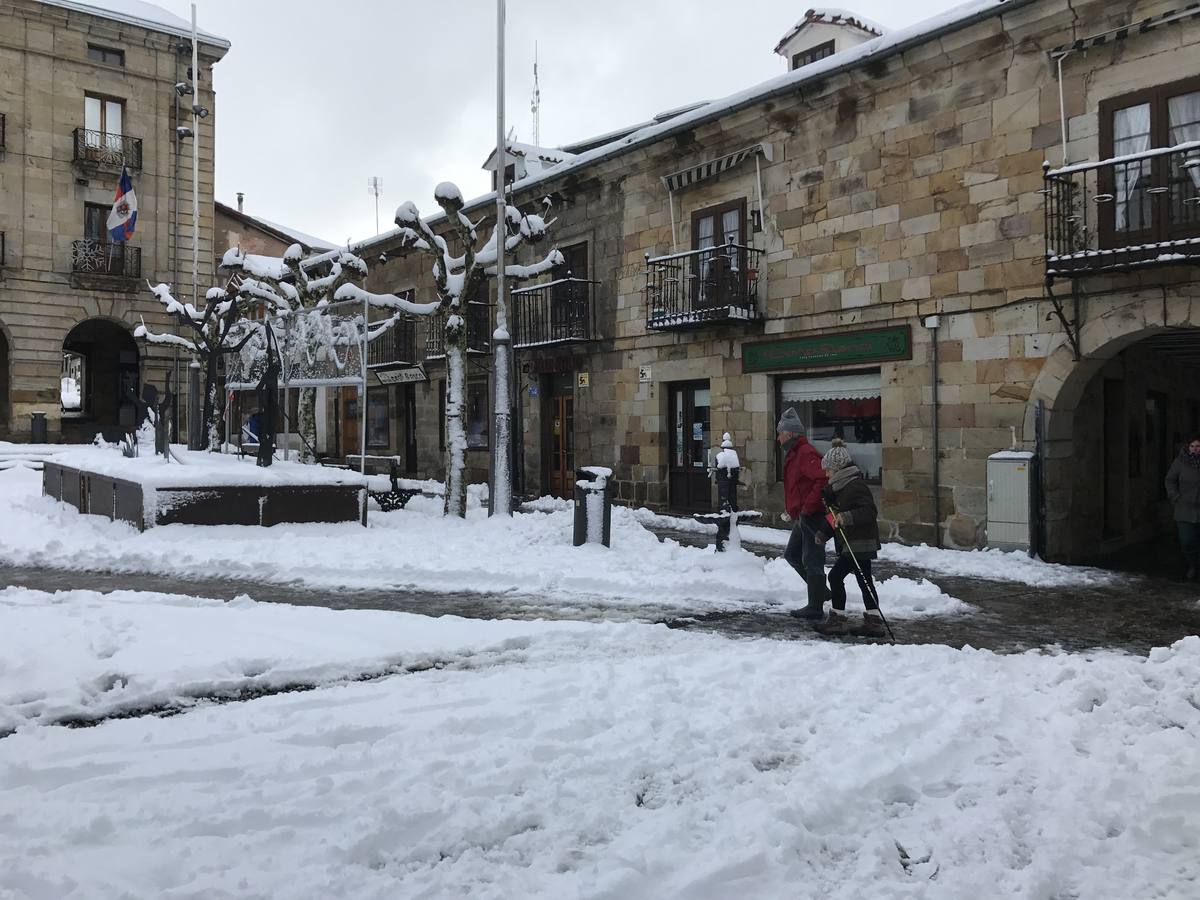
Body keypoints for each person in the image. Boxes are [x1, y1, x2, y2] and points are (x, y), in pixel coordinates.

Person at [811, 439, 885, 637]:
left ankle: (838, 619)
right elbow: (835, 515)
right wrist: (823, 533)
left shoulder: (855, 486)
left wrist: (847, 517)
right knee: (865, 580)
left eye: (828, 470)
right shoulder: (838, 488)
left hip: (860, 542)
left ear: (838, 469)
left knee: (837, 576)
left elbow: (869, 512)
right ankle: (873, 620)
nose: (826, 474)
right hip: (851, 542)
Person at [779, 407, 829, 619]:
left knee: (812, 560)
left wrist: (807, 507)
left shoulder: (805, 453)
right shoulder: (795, 453)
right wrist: (793, 508)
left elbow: (822, 479)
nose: (778, 437)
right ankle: (821, 593)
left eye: (780, 433)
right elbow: (797, 485)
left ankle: (815, 607)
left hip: (812, 515)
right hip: (803, 515)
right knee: (792, 555)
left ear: (790, 433)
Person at [1165, 435, 1200, 580]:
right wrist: (1175, 497)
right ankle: (1194, 565)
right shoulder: (1180, 462)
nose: (1195, 449)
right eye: (1192, 446)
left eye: (1198, 446)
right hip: (1185, 508)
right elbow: (1170, 480)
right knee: (1187, 541)